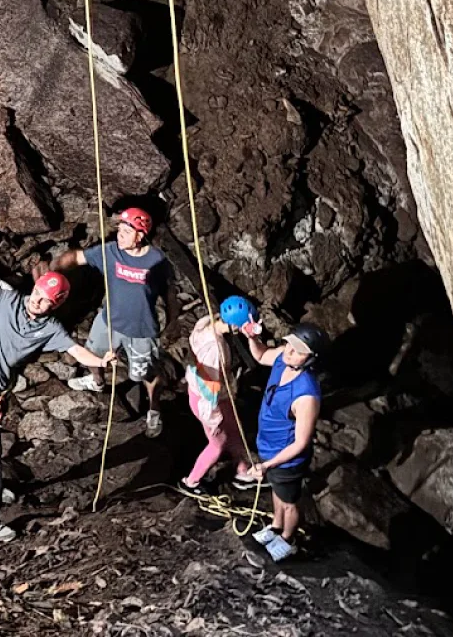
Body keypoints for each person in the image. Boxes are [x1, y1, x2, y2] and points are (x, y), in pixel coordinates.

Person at [0, 224, 115, 542]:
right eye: (36, 294)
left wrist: (101, 362)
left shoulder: (50, 329)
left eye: (45, 301)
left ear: (55, 305)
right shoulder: (5, 298)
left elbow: (76, 350)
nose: (36, 301)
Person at [49, 208, 178, 437]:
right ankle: (97, 380)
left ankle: (154, 409)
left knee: (144, 374)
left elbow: (169, 294)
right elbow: (76, 257)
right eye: (119, 230)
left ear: (140, 235)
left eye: (126, 232)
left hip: (141, 330)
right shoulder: (110, 251)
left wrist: (172, 320)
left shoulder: (157, 261)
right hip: (108, 322)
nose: (120, 235)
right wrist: (54, 271)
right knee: (91, 354)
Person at [246, 322, 327, 562]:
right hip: (268, 446)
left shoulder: (306, 395)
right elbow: (261, 356)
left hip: (286, 458)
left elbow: (301, 442)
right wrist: (252, 338)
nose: (290, 351)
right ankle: (275, 525)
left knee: (290, 501)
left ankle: (288, 538)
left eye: (298, 350)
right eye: (290, 344)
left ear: (310, 359)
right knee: (276, 490)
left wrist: (267, 465)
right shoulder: (283, 359)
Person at [177, 295, 262, 495]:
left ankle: (242, 470)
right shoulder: (214, 351)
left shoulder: (206, 324)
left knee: (234, 429)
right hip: (207, 401)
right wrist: (213, 419)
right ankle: (191, 482)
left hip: (219, 394)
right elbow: (209, 391)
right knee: (218, 444)